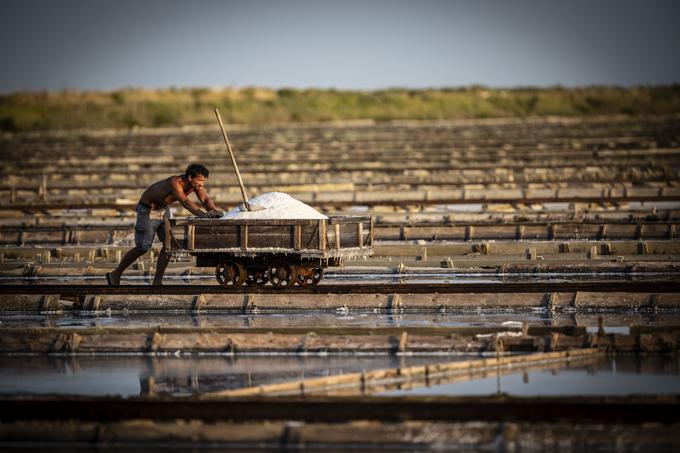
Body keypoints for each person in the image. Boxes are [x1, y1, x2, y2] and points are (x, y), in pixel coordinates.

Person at [106, 163, 223, 286]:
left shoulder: (196, 185)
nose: (201, 184)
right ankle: (116, 273)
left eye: (203, 181)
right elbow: (186, 202)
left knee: (169, 245)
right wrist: (203, 215)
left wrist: (213, 211)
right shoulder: (175, 182)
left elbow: (205, 200)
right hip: (148, 210)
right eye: (199, 180)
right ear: (190, 177)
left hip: (163, 210)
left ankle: (157, 281)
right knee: (143, 247)